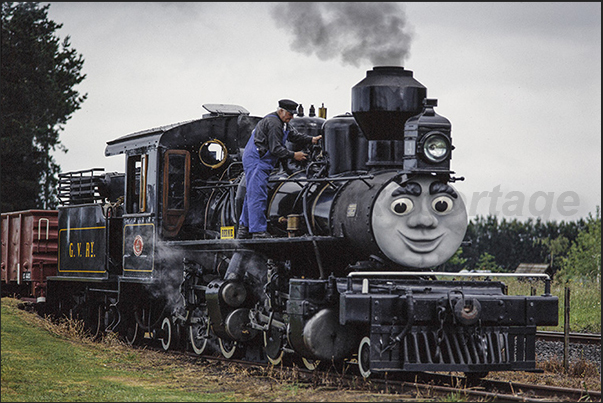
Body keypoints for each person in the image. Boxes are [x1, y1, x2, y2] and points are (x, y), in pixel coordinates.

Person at [238, 99, 322, 239]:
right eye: (290, 114)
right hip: (257, 160)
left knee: (252, 194)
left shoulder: (283, 123)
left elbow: (293, 136)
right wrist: (294, 155)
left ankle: (243, 229)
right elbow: (276, 148)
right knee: (258, 194)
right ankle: (258, 231)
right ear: (281, 110)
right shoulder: (274, 123)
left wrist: (311, 139)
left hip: (262, 160)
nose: (292, 117)